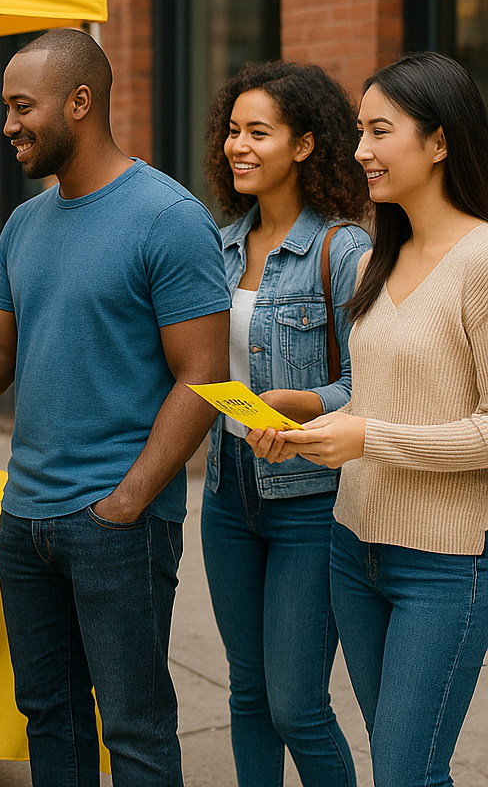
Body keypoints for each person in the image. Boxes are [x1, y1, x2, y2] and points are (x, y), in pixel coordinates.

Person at [0, 28, 230, 786]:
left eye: (20, 106)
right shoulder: (24, 223)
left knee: (134, 727)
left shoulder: (167, 217)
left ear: (80, 101)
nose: (6, 125)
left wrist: (128, 501)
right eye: (6, 107)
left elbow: (203, 377)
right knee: (49, 715)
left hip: (115, 523)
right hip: (24, 518)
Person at [253, 51, 488, 787]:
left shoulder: (482, 260)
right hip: (352, 550)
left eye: (379, 131)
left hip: (444, 567)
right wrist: (314, 422)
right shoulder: (375, 260)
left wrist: (368, 437)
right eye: (358, 130)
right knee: (405, 771)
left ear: (440, 141)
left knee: (406, 774)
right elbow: (380, 401)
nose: (359, 151)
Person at [199, 61, 370, 787]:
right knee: (246, 691)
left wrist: (300, 406)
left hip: (309, 501)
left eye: (258, 132)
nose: (239, 145)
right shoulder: (219, 245)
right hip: (226, 489)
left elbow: (367, 390)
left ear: (303, 145)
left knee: (297, 704)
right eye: (233, 130)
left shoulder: (343, 250)